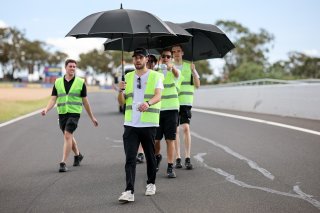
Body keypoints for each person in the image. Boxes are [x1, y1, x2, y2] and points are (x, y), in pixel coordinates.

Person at [117, 48, 164, 203]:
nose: (137, 60)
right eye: (135, 57)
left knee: (150, 157)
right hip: (130, 123)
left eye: (140, 57)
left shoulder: (156, 75)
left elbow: (158, 95)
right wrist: (120, 91)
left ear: (146, 59)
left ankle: (151, 183)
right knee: (130, 158)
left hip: (148, 123)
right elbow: (121, 102)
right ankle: (129, 191)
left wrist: (148, 103)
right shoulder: (128, 77)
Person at [41, 59, 98, 172]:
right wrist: (46, 109)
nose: (72, 68)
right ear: (65, 67)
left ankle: (63, 162)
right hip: (62, 113)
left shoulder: (80, 82)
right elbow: (53, 99)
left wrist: (92, 117)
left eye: (74, 67)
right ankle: (78, 155)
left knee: (67, 135)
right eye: (70, 66)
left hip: (74, 113)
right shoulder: (57, 82)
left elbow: (85, 102)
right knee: (69, 136)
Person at [172, 45, 200, 170]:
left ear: (182, 52)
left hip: (185, 102)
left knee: (186, 128)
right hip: (172, 102)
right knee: (175, 130)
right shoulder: (169, 66)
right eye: (174, 51)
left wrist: (194, 72)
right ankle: (178, 158)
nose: (176, 53)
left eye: (179, 51)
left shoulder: (190, 65)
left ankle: (187, 157)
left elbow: (198, 85)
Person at [154, 48, 180, 178]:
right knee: (156, 140)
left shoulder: (175, 71)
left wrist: (172, 68)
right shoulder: (155, 72)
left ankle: (170, 166)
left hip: (171, 109)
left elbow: (177, 75)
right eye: (163, 56)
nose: (165, 58)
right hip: (157, 110)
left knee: (170, 139)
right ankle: (157, 157)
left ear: (172, 58)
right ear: (160, 58)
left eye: (168, 56)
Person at [136, 54, 158, 164]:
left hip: (158, 108)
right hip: (145, 108)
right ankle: (141, 153)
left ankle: (155, 155)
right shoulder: (142, 75)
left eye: (153, 62)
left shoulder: (158, 75)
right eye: (150, 61)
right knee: (142, 131)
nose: (151, 64)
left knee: (156, 138)